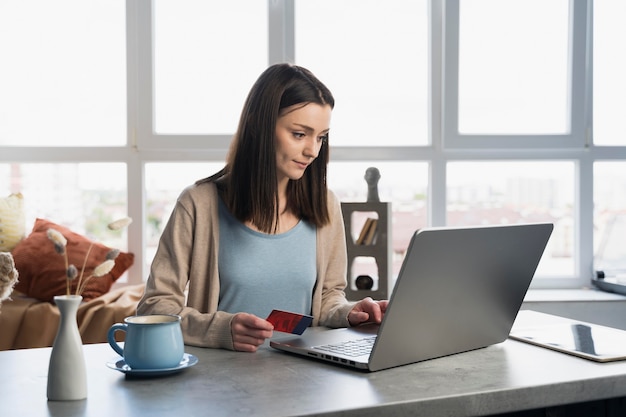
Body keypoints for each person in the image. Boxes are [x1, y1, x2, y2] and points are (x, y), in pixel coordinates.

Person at [137, 63, 388, 352]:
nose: (313, 150)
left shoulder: (325, 203)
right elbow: (154, 308)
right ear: (258, 125)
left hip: (306, 382)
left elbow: (329, 297)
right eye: (299, 134)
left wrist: (350, 314)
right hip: (218, 383)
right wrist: (220, 329)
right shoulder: (199, 204)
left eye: (321, 137)